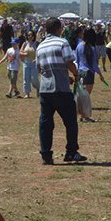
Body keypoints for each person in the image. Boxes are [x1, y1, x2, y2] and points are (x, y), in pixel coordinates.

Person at [36, 18, 86, 164]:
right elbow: (69, 62)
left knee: (45, 123)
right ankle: (71, 152)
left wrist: (63, 76)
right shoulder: (62, 42)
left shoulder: (41, 46)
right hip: (61, 89)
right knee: (70, 121)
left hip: (45, 89)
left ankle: (46, 154)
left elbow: (40, 69)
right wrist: (76, 75)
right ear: (59, 29)